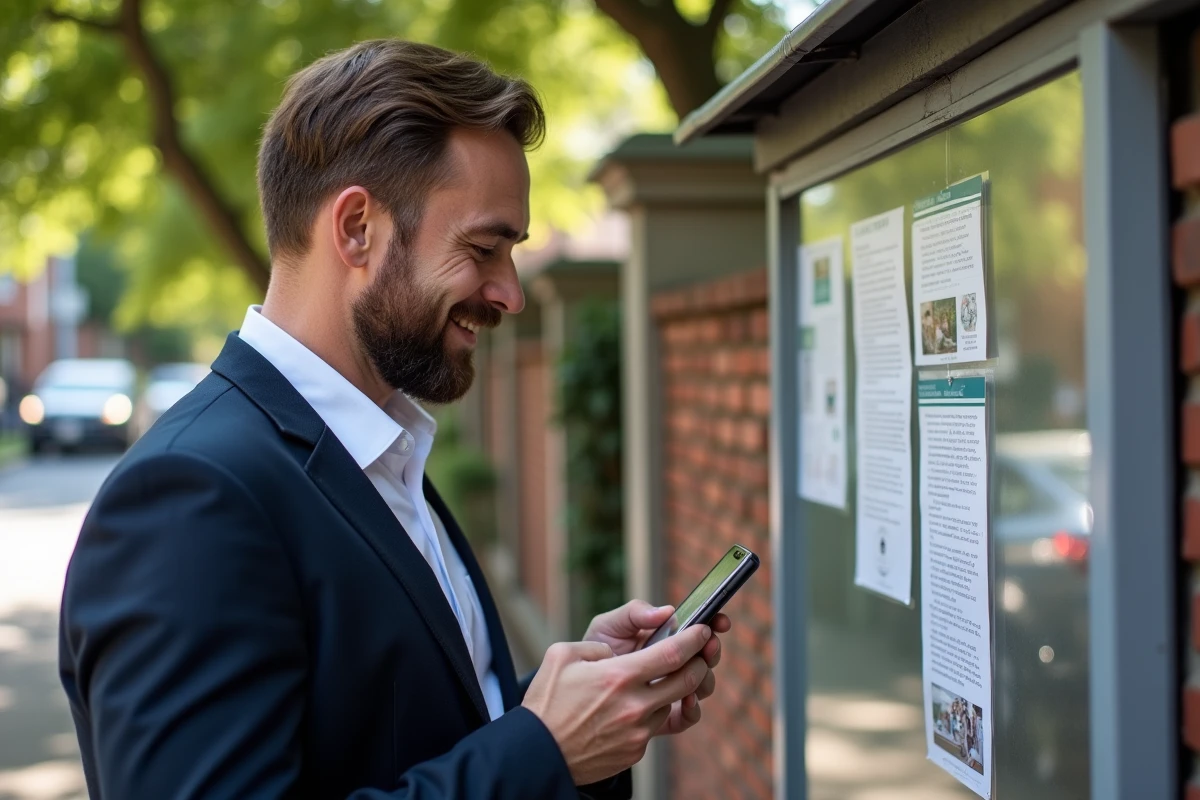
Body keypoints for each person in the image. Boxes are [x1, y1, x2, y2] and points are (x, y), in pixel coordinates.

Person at [58, 39, 729, 799]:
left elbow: (414, 733)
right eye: (483, 248)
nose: (509, 293)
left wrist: (578, 708)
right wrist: (543, 749)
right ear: (355, 229)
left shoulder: (384, 448)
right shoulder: (190, 499)